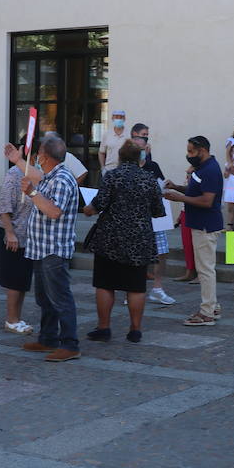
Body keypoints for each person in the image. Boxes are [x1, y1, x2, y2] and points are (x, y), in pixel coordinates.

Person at [5, 135, 81, 362]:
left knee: (60, 298)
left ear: (45, 157)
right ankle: (48, 338)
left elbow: (54, 211)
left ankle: (70, 344)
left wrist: (31, 193)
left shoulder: (63, 179)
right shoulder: (52, 175)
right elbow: (37, 176)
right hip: (41, 248)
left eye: (38, 154)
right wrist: (18, 160)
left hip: (53, 250)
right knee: (45, 298)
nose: (36, 157)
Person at [85, 140, 166, 343]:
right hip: (139, 240)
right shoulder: (149, 179)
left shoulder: (112, 176)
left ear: (120, 157)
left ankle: (104, 328)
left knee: (105, 284)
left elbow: (99, 204)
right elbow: (159, 211)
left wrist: (88, 209)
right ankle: (135, 330)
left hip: (110, 239)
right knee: (136, 287)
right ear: (140, 158)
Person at [164, 136, 224, 326]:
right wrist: (177, 188)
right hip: (199, 223)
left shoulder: (211, 170)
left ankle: (207, 313)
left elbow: (206, 200)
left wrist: (178, 198)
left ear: (202, 150)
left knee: (205, 270)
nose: (188, 155)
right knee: (205, 268)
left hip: (206, 225)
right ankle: (212, 306)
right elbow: (194, 191)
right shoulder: (202, 168)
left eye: (191, 151)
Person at [0, 138, 36, 335]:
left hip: (28, 235)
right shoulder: (14, 173)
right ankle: (11, 319)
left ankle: (17, 317)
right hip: (12, 232)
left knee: (23, 280)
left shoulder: (36, 174)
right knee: (14, 279)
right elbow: (3, 207)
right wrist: (10, 233)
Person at [131, 124, 175, 306]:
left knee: (162, 251)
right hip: (134, 219)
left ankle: (157, 288)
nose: (144, 150)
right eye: (140, 148)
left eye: (145, 146)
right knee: (134, 254)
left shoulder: (152, 165)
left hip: (155, 218)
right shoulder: (127, 167)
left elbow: (160, 186)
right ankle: (132, 288)